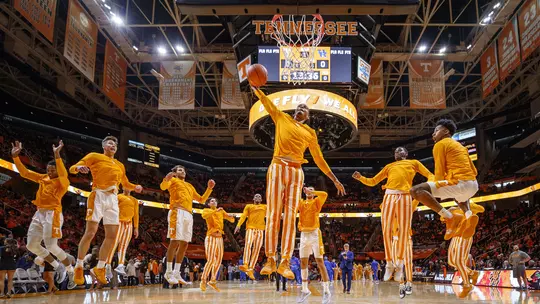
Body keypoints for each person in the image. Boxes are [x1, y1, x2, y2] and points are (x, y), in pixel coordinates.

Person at [252, 88, 346, 280]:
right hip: (278, 166)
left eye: (304, 107)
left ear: (308, 116)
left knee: (289, 218)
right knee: (273, 213)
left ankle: (285, 261)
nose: (300, 108)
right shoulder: (281, 117)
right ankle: (270, 259)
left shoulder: (310, 133)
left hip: (296, 171)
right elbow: (267, 103)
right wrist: (256, 89)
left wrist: (334, 179)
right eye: (298, 107)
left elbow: (318, 158)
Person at [353, 147, 433, 285]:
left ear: (406, 154)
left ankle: (400, 264)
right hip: (389, 195)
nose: (398, 151)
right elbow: (373, 181)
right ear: (394, 155)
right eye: (396, 151)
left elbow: (430, 176)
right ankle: (389, 263)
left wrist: (424, 187)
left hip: (406, 196)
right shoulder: (389, 166)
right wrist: (361, 178)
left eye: (401, 150)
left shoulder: (414, 163)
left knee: (403, 230)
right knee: (386, 229)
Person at [70, 136, 143, 285]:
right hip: (98, 194)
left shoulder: (120, 165)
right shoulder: (94, 156)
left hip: (113, 198)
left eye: (115, 143)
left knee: (112, 235)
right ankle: (78, 266)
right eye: (110, 143)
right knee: (90, 232)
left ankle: (101, 267)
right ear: (103, 146)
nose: (113, 145)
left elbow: (125, 183)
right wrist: (78, 168)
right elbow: (73, 168)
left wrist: (134, 187)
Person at [11, 140, 74, 285]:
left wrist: (57, 154)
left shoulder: (62, 182)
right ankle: (58, 267)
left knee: (51, 245)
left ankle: (69, 270)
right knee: (31, 245)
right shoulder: (42, 178)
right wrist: (15, 158)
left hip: (53, 213)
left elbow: (63, 173)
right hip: (39, 212)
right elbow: (25, 173)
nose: (50, 172)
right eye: (48, 169)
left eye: (53, 170)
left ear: (58, 170)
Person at [410, 119, 479, 239]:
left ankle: (449, 217)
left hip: (460, 183)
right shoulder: (461, 146)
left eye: (436, 130)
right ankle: (468, 215)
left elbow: (439, 172)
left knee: (416, 190)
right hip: (473, 185)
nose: (433, 134)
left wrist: (434, 190)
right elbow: (474, 170)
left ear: (446, 131)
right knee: (459, 197)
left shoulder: (440, 144)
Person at [160, 165, 214, 285]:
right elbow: (163, 187)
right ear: (174, 172)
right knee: (174, 241)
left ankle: (176, 272)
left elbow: (201, 199)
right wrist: (166, 179)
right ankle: (168, 272)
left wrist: (209, 188)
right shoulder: (173, 180)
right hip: (177, 212)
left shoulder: (189, 185)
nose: (183, 172)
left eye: (184, 170)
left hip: (188, 214)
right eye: (180, 170)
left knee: (184, 244)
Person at [297, 187, 331, 303]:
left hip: (315, 234)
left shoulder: (316, 201)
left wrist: (313, 192)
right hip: (303, 234)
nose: (309, 191)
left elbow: (325, 194)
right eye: (308, 190)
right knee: (303, 262)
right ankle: (305, 289)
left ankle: (326, 290)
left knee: (320, 262)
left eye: (311, 190)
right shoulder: (301, 202)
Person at [446, 202, 484, 298]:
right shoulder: (455, 210)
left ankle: (467, 285)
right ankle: (473, 273)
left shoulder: (470, 206)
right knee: (451, 262)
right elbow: (442, 218)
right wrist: (450, 210)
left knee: (459, 262)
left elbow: (482, 209)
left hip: (465, 236)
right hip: (455, 236)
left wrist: (469, 206)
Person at [199, 198, 235, 292]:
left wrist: (232, 216)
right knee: (211, 259)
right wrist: (215, 211)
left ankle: (212, 280)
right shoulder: (206, 210)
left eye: (215, 201)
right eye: (211, 201)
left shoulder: (221, 211)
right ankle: (203, 280)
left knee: (218, 260)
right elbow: (204, 216)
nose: (214, 202)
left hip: (220, 238)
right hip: (211, 237)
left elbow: (231, 220)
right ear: (208, 204)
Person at [107, 189, 139, 276]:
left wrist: (136, 227)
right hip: (119, 221)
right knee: (114, 243)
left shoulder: (134, 200)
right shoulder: (118, 196)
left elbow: (136, 214)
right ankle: (108, 265)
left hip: (129, 224)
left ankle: (120, 265)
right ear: (123, 187)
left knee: (124, 245)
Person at [234, 193, 266, 280]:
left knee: (257, 248)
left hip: (260, 229)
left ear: (261, 199)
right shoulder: (249, 206)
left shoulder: (265, 207)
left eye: (259, 196)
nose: (258, 197)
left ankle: (251, 269)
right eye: (256, 196)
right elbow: (243, 216)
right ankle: (245, 264)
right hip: (250, 228)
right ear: (253, 198)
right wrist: (238, 225)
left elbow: (272, 214)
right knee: (248, 244)